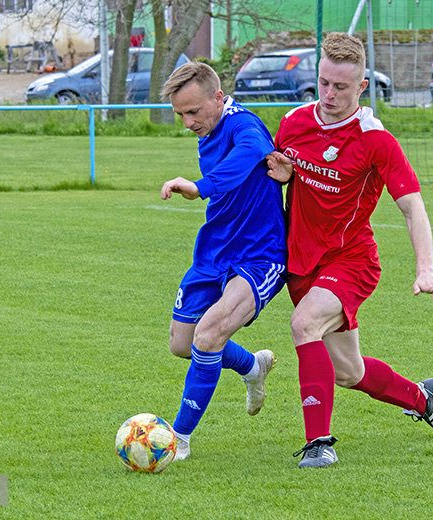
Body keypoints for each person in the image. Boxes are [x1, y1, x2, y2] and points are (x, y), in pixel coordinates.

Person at [266, 33, 433, 468]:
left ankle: (319, 445)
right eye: (324, 82)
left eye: (341, 87)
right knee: (349, 372)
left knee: (304, 323)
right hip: (302, 264)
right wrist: (285, 174)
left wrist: (426, 269)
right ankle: (422, 399)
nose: (329, 95)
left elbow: (412, 207)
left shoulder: (375, 140)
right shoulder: (294, 122)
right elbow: (277, 179)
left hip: (351, 261)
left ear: (362, 86)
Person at [159, 62, 287, 461]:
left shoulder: (242, 124)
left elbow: (251, 152)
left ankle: (177, 438)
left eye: (193, 111)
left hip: (258, 254)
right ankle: (252, 366)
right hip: (214, 251)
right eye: (180, 114)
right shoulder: (208, 129)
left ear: (218, 97)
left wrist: (200, 187)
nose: (187, 122)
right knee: (182, 344)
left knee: (209, 335)